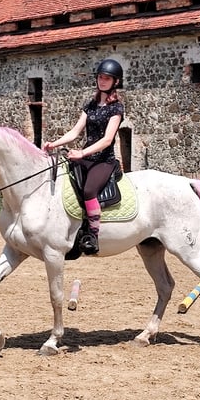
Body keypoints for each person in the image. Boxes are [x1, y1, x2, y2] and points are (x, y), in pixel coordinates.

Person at [44, 58, 125, 254]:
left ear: (115, 82)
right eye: (100, 77)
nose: (102, 81)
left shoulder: (117, 108)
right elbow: (75, 132)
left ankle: (92, 236)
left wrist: (82, 152)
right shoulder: (91, 105)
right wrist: (53, 143)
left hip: (103, 160)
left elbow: (107, 140)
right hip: (85, 158)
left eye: (107, 78)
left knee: (89, 190)